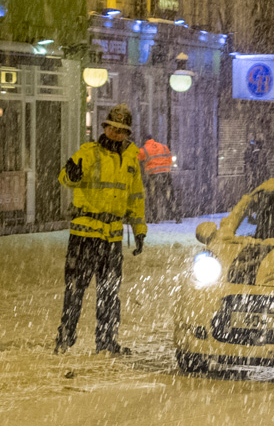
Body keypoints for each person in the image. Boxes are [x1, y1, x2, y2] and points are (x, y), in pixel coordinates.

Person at [54, 104, 147, 355]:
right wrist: (71, 174)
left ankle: (106, 342)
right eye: (113, 128)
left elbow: (136, 197)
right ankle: (65, 338)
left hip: (113, 236)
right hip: (85, 233)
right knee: (75, 289)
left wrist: (139, 229)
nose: (117, 133)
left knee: (109, 292)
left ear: (128, 133)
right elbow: (65, 178)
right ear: (104, 128)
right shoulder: (89, 152)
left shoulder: (131, 159)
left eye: (122, 130)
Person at [138, 133, 181, 223]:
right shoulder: (163, 147)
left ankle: (155, 218)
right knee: (169, 195)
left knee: (153, 196)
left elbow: (137, 158)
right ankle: (177, 216)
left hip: (153, 175)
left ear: (144, 140)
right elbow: (169, 160)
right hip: (166, 174)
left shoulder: (144, 149)